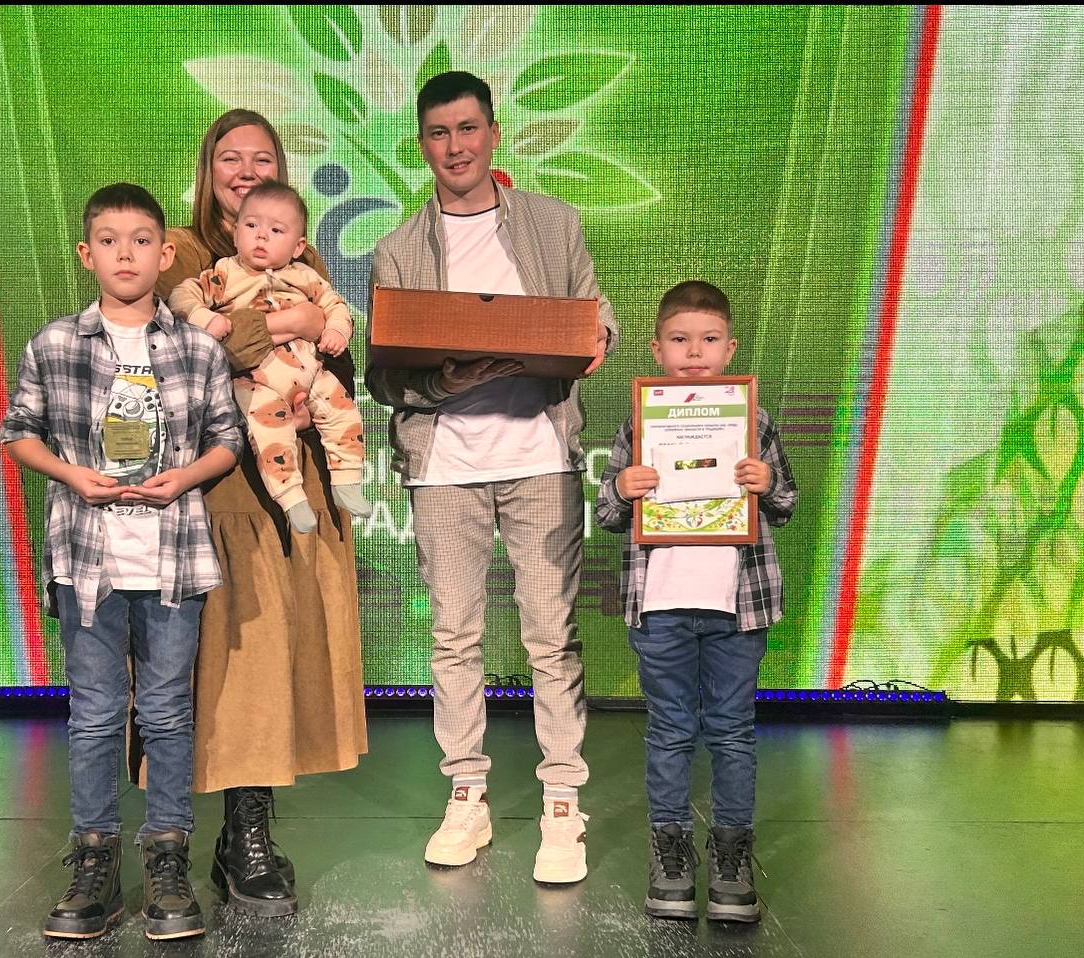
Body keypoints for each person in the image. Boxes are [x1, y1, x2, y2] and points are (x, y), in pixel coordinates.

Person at [366, 71, 617, 884]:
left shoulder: (553, 221)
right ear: (422, 145)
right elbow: (384, 376)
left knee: (551, 635)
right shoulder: (399, 248)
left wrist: (595, 338)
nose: (456, 146)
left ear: (494, 133)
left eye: (468, 128)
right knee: (454, 637)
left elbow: (595, 313)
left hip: (539, 457)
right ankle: (466, 796)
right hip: (446, 465)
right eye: (440, 133)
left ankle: (562, 805)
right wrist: (448, 380)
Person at [0, 183, 244, 940]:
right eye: (109, 241)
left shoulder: (197, 347)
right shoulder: (55, 343)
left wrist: (186, 476)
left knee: (168, 713)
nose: (126, 254)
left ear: (166, 254)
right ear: (87, 254)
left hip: (173, 559)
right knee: (96, 714)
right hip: (88, 561)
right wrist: (72, 475)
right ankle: (96, 866)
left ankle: (167, 861)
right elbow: (18, 429)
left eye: (141, 241)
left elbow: (229, 437)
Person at [150, 109, 367, 917]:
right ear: (208, 170)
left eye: (262, 159)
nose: (246, 171)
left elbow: (341, 358)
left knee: (274, 663)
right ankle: (173, 843)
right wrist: (289, 322)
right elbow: (188, 349)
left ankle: (246, 836)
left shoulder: (300, 252)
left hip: (293, 478)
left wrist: (319, 343)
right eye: (230, 158)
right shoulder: (182, 252)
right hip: (214, 489)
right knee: (225, 666)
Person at [594, 280, 799, 922]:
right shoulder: (639, 422)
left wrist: (766, 482)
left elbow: (786, 503)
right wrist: (622, 488)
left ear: (729, 348)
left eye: (708, 340)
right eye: (680, 340)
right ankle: (671, 856)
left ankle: (732, 859)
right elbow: (606, 513)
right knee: (670, 731)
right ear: (657, 350)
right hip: (661, 606)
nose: (694, 352)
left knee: (733, 731)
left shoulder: (753, 421)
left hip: (738, 606)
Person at [169, 180, 372, 533]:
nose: (261, 236)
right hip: (259, 379)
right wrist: (206, 317)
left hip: (311, 370)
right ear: (235, 234)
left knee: (343, 412)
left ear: (298, 246)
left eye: (276, 230)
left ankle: (347, 480)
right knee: (270, 432)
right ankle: (291, 498)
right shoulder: (225, 274)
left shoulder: (306, 276)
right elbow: (181, 296)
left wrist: (337, 331)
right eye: (251, 226)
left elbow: (335, 306)